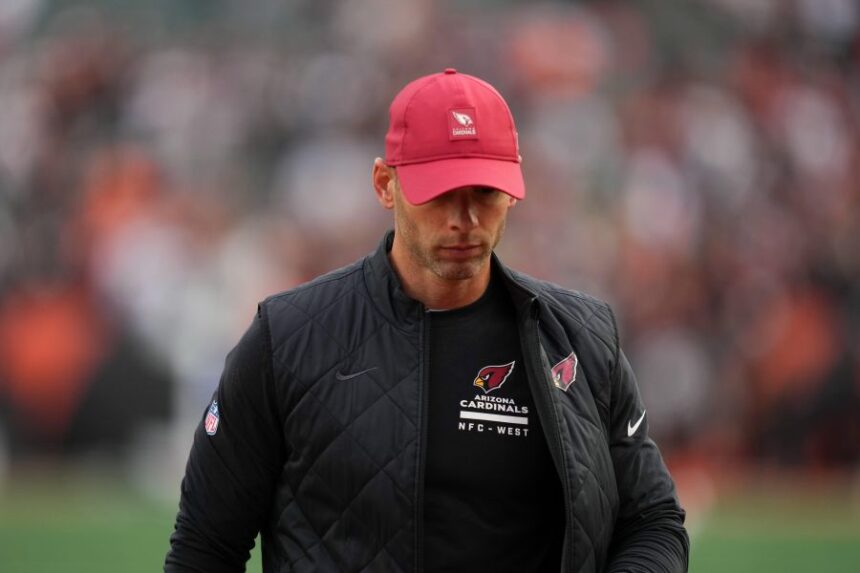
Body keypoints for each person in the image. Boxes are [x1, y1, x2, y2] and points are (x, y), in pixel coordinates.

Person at [165, 68, 689, 573]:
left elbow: (653, 521)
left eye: (484, 192)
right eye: (440, 193)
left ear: (512, 189)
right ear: (384, 184)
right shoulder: (287, 339)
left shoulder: (583, 340)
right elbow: (205, 546)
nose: (465, 219)